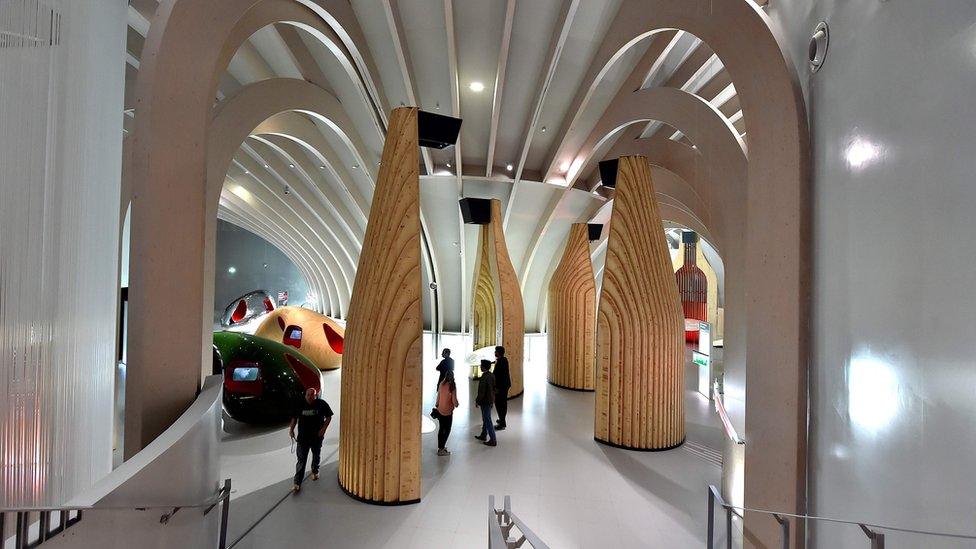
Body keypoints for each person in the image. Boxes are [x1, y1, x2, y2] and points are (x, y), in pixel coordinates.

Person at [289, 387, 333, 492]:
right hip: (303, 438)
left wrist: (323, 429)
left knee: (316, 454)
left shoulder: (322, 404)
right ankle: (297, 482)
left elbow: (329, 416)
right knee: (301, 460)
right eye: (308, 395)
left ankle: (315, 471)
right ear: (305, 395)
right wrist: (291, 429)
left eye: (312, 395)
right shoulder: (300, 404)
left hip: (316, 437)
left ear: (316, 395)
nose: (310, 397)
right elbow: (294, 418)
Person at [434, 371, 460, 456]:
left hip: (440, 410)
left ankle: (440, 447)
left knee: (441, 429)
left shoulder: (441, 384)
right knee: (447, 430)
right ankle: (442, 449)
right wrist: (456, 404)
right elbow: (454, 401)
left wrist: (437, 404)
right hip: (448, 412)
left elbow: (438, 396)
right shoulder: (452, 387)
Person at [474, 359, 497, 446]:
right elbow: (494, 388)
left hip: (485, 401)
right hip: (490, 400)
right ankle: (483, 434)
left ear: (483, 367)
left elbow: (481, 392)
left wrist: (477, 400)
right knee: (485, 418)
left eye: (481, 365)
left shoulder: (484, 377)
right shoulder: (492, 375)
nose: (480, 366)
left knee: (487, 419)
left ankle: (493, 439)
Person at [493, 346, 511, 431]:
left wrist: (497, 388)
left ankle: (502, 423)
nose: (494, 353)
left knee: (500, 404)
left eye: (495, 351)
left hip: (501, 387)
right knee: (502, 403)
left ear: (499, 353)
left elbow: (499, 376)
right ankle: (501, 419)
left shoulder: (501, 362)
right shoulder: (503, 360)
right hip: (504, 386)